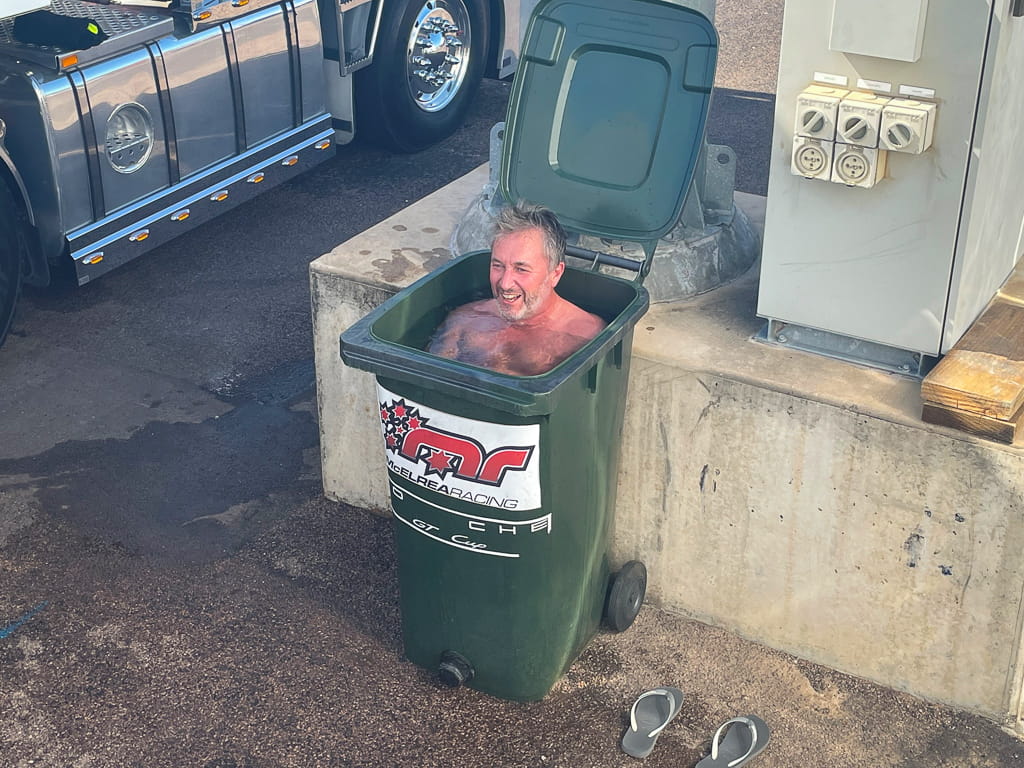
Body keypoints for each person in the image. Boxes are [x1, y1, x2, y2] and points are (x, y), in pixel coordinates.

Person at [428, 202, 606, 376]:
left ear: (555, 273)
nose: (505, 284)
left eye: (521, 269)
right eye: (498, 266)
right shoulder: (464, 319)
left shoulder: (586, 334)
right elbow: (431, 379)